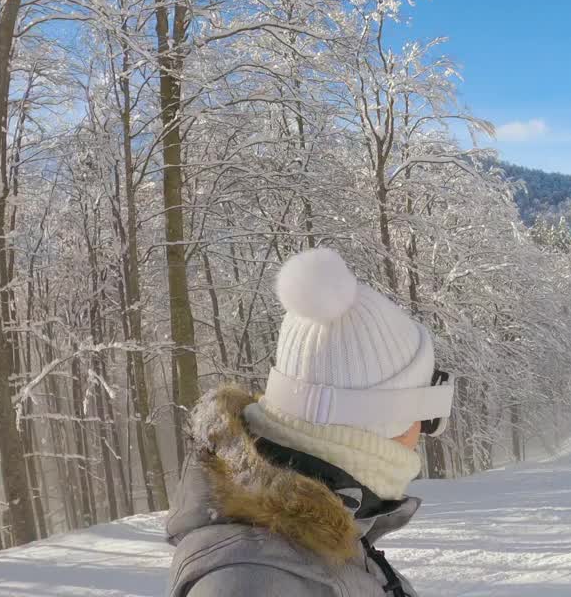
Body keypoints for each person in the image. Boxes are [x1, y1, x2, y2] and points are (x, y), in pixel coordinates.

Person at [166, 247, 453, 597]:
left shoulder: (324, 535)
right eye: (426, 415)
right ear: (384, 421)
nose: (423, 433)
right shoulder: (254, 583)